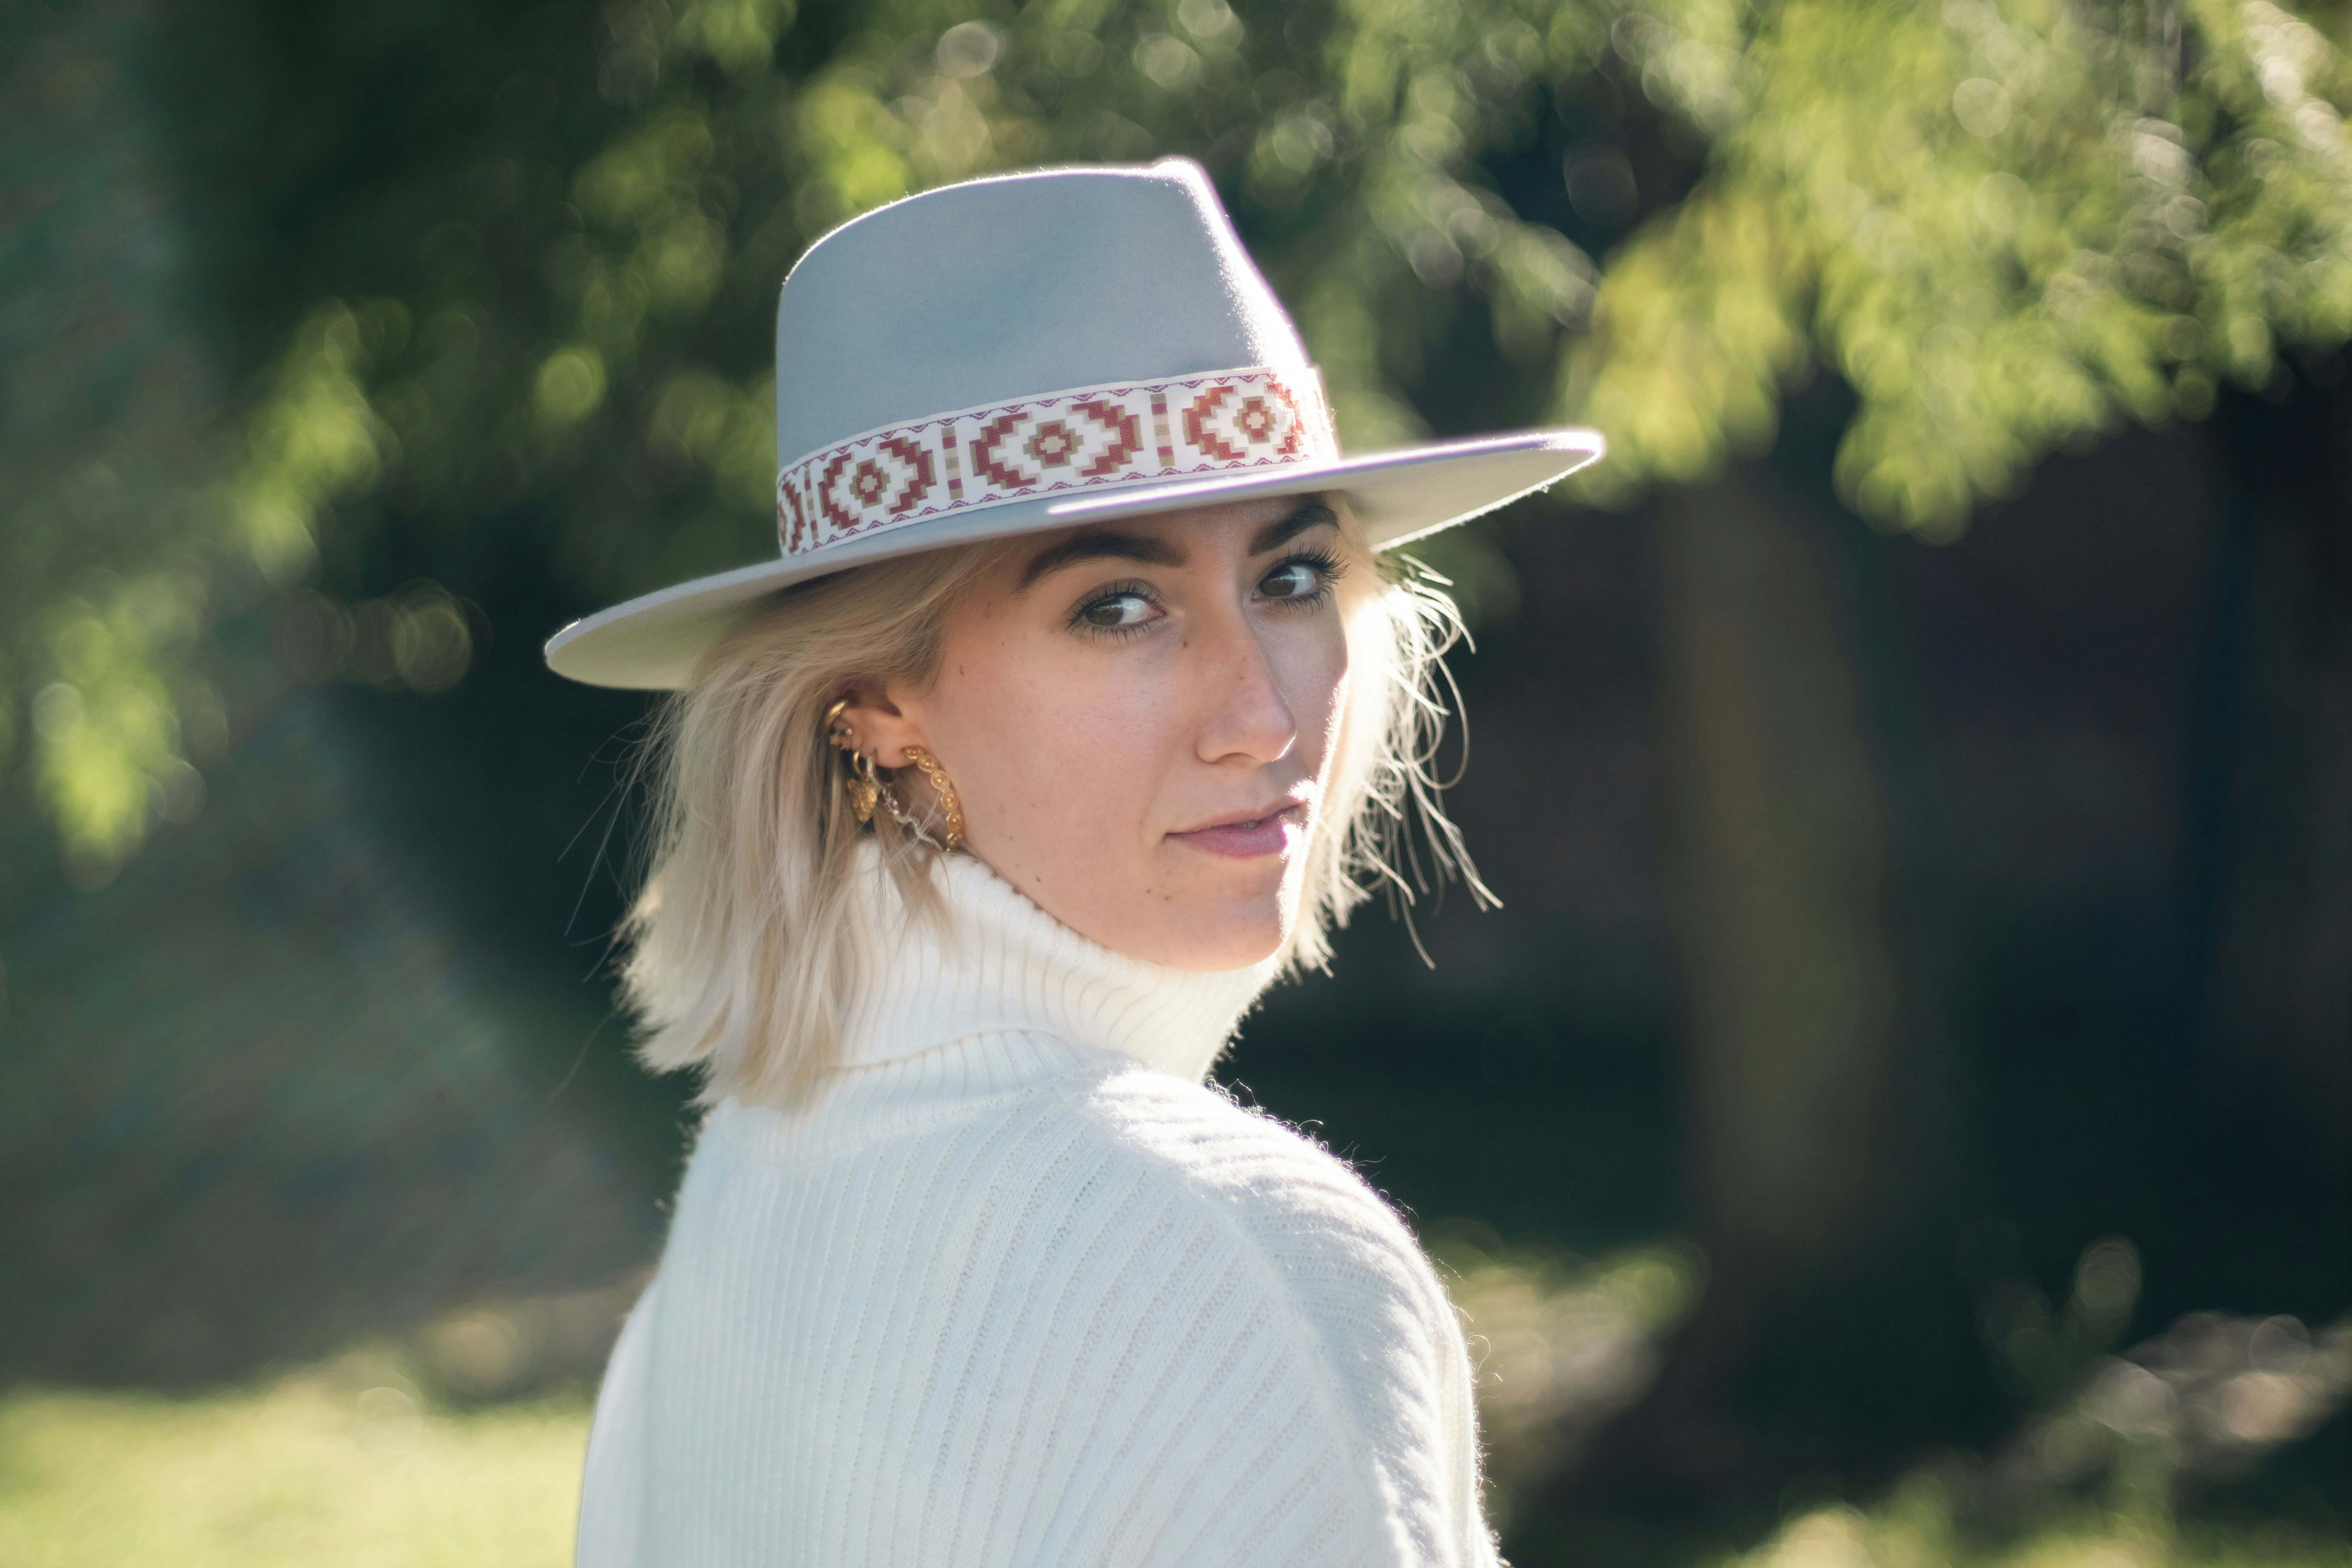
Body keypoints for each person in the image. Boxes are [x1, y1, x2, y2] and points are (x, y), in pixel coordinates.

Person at [545, 158, 1601, 1567]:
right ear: (874, 703)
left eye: (1291, 577)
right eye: (1119, 606)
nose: (1265, 715)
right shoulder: (1233, 1259)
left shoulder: (741, 1200)